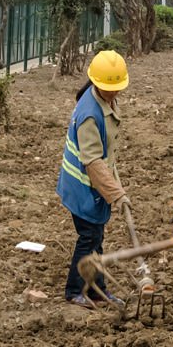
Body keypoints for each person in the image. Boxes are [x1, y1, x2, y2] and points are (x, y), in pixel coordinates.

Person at [58, 50, 130, 309]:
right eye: (107, 88)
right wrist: (116, 194)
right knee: (89, 238)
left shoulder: (105, 101)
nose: (112, 92)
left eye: (116, 88)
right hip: (83, 188)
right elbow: (93, 162)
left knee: (96, 238)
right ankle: (74, 290)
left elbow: (106, 154)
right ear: (95, 82)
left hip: (95, 186)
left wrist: (116, 189)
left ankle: (98, 289)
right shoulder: (89, 113)